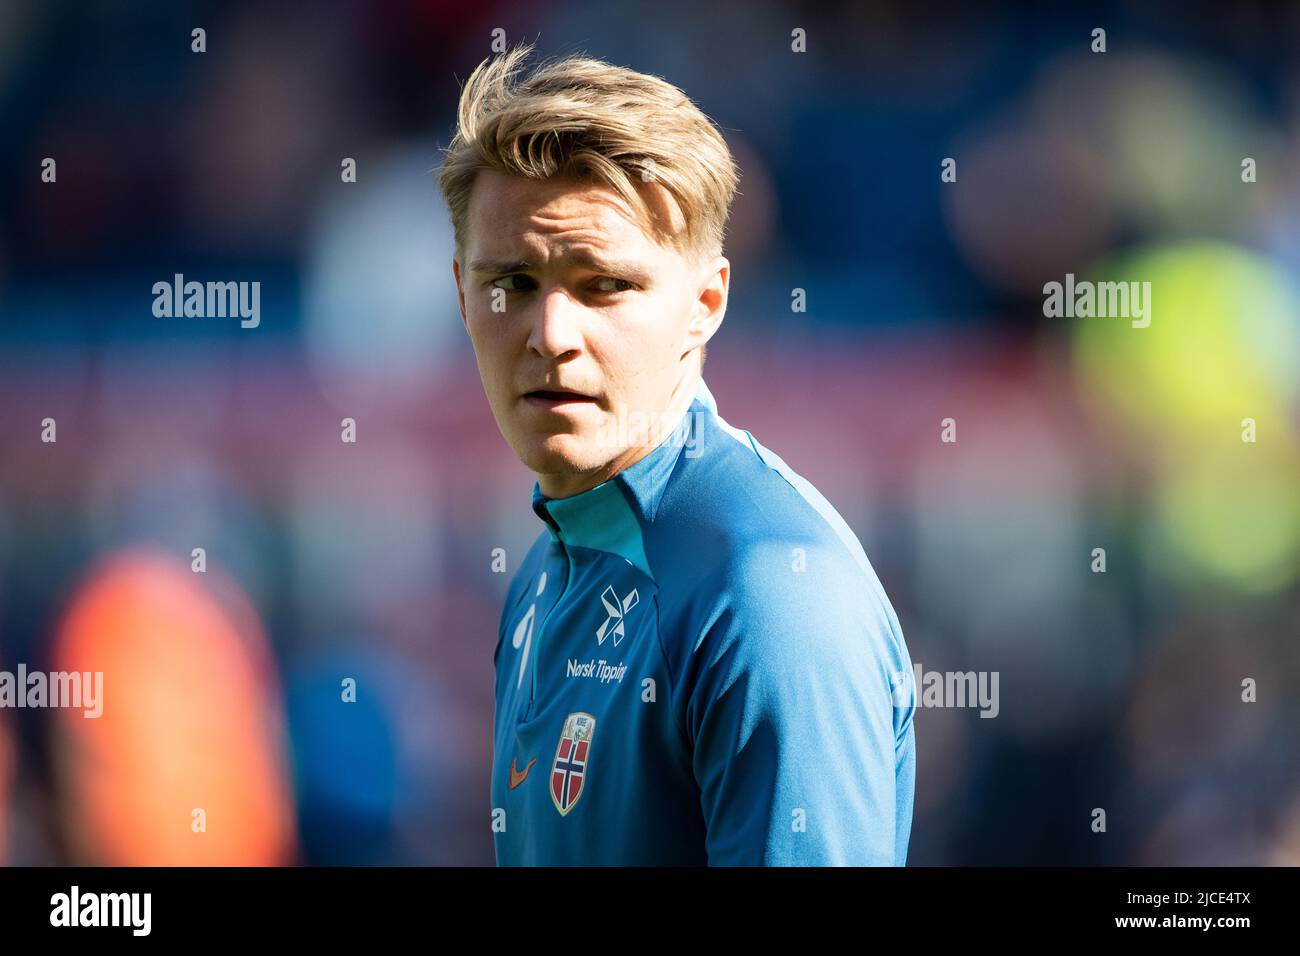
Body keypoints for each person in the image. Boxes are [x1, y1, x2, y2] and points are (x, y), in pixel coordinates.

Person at [439, 44, 915, 865]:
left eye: (605, 286)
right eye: (511, 284)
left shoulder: (769, 598)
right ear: (460, 292)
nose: (551, 336)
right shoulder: (547, 574)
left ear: (705, 305)